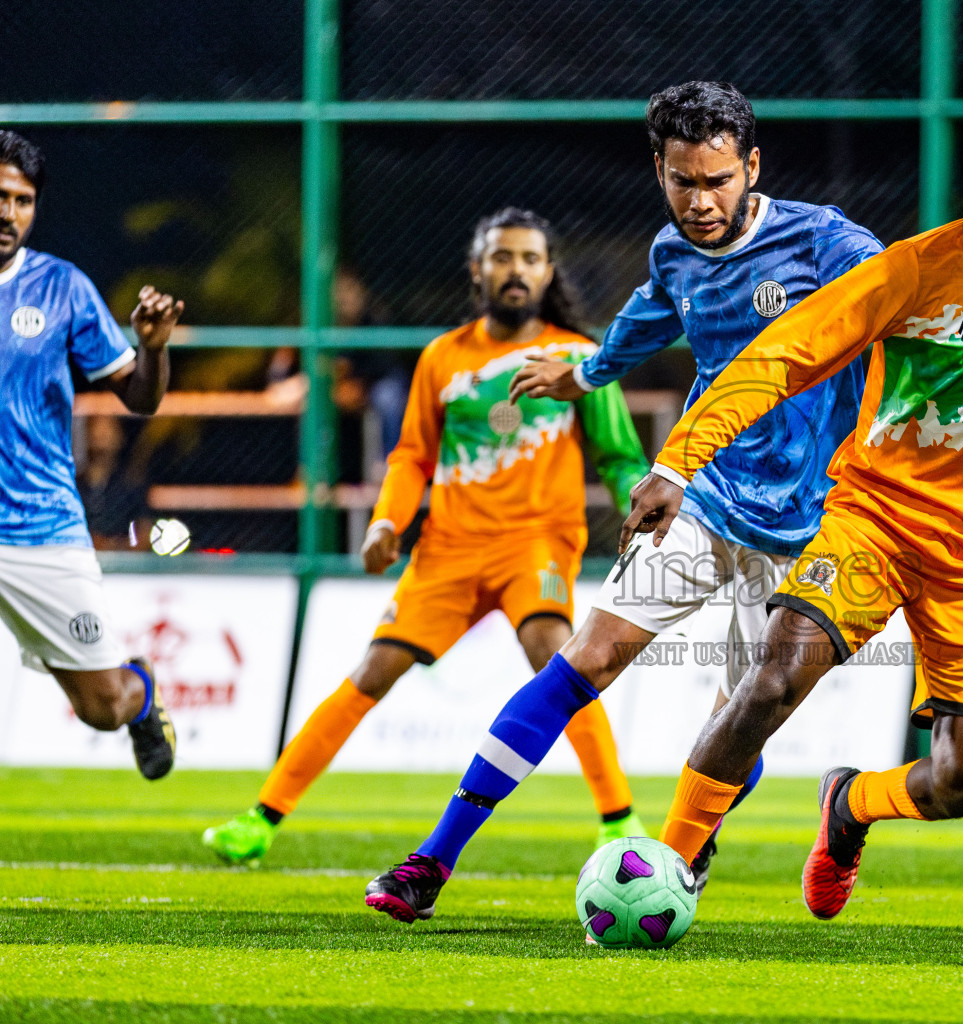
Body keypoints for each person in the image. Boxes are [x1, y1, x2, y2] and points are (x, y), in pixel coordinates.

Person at [362, 80, 884, 923]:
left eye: (719, 180)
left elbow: (906, 297)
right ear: (660, 171)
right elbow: (646, 319)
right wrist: (585, 374)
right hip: (705, 494)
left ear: (752, 167)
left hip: (813, 525)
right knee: (589, 656)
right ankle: (431, 861)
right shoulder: (673, 254)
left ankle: (685, 846)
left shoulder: (826, 245)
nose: (702, 200)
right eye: (684, 180)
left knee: (744, 713)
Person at [625, 94, 963, 920]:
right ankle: (667, 869)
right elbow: (782, 353)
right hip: (875, 523)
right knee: (771, 682)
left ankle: (849, 807)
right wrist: (680, 460)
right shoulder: (915, 269)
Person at [203, 207, 652, 869]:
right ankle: (262, 816)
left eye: (531, 258)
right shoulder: (442, 357)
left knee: (556, 655)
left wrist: (640, 507)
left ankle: (618, 818)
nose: (517, 269)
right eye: (503, 256)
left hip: (536, 545)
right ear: (477, 269)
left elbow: (618, 457)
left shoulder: (580, 359)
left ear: (549, 271)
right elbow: (411, 456)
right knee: (371, 672)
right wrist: (389, 520)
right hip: (447, 549)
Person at [0, 129, 181, 779]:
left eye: (22, 201)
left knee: (101, 708)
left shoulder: (61, 288)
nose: (8, 213)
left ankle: (140, 695)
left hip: (39, 529)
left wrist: (154, 347)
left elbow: (140, 397)